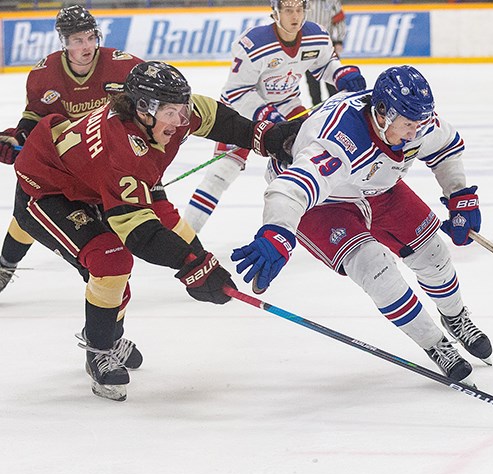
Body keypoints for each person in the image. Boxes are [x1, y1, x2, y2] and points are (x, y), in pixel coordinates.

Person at [12, 60, 300, 401]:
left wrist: (262, 136)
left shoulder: (164, 115)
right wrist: (193, 266)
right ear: (143, 110)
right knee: (111, 261)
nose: (181, 122)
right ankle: (99, 348)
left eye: (182, 110)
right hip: (48, 189)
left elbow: (213, 117)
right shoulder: (119, 149)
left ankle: (107, 331)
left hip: (98, 182)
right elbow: (139, 234)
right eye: (171, 113)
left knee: (183, 239)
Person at [230, 65, 491, 385]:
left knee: (433, 254)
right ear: (382, 113)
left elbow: (446, 146)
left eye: (419, 124)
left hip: (377, 185)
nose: (414, 133)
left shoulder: (415, 120)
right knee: (376, 268)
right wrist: (277, 232)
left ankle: (456, 317)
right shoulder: (338, 141)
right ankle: (435, 344)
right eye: (408, 125)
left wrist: (460, 195)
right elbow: (290, 189)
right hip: (323, 204)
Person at [183, 0, 366, 233]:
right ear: (275, 13)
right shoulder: (254, 43)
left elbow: (326, 63)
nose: (295, 16)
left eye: (299, 10)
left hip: (288, 106)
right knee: (221, 173)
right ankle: (186, 234)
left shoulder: (316, 35)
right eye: (288, 10)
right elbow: (235, 92)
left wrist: (341, 74)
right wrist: (268, 117)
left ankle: (331, 226)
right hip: (242, 112)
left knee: (315, 159)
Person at [0, 5, 143, 295]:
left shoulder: (122, 65)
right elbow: (35, 117)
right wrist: (20, 140)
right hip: (60, 158)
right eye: (78, 40)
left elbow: (150, 99)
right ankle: (5, 264)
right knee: (29, 214)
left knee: (106, 222)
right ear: (63, 42)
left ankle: (102, 279)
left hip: (104, 160)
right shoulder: (44, 74)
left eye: (90, 37)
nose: (86, 46)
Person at [304, 0, 347, 105]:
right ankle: (316, 108)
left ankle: (334, 106)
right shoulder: (301, 2)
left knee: (333, 78)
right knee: (312, 82)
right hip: (307, 45)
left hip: (328, 43)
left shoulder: (331, 1)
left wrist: (339, 41)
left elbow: (339, 20)